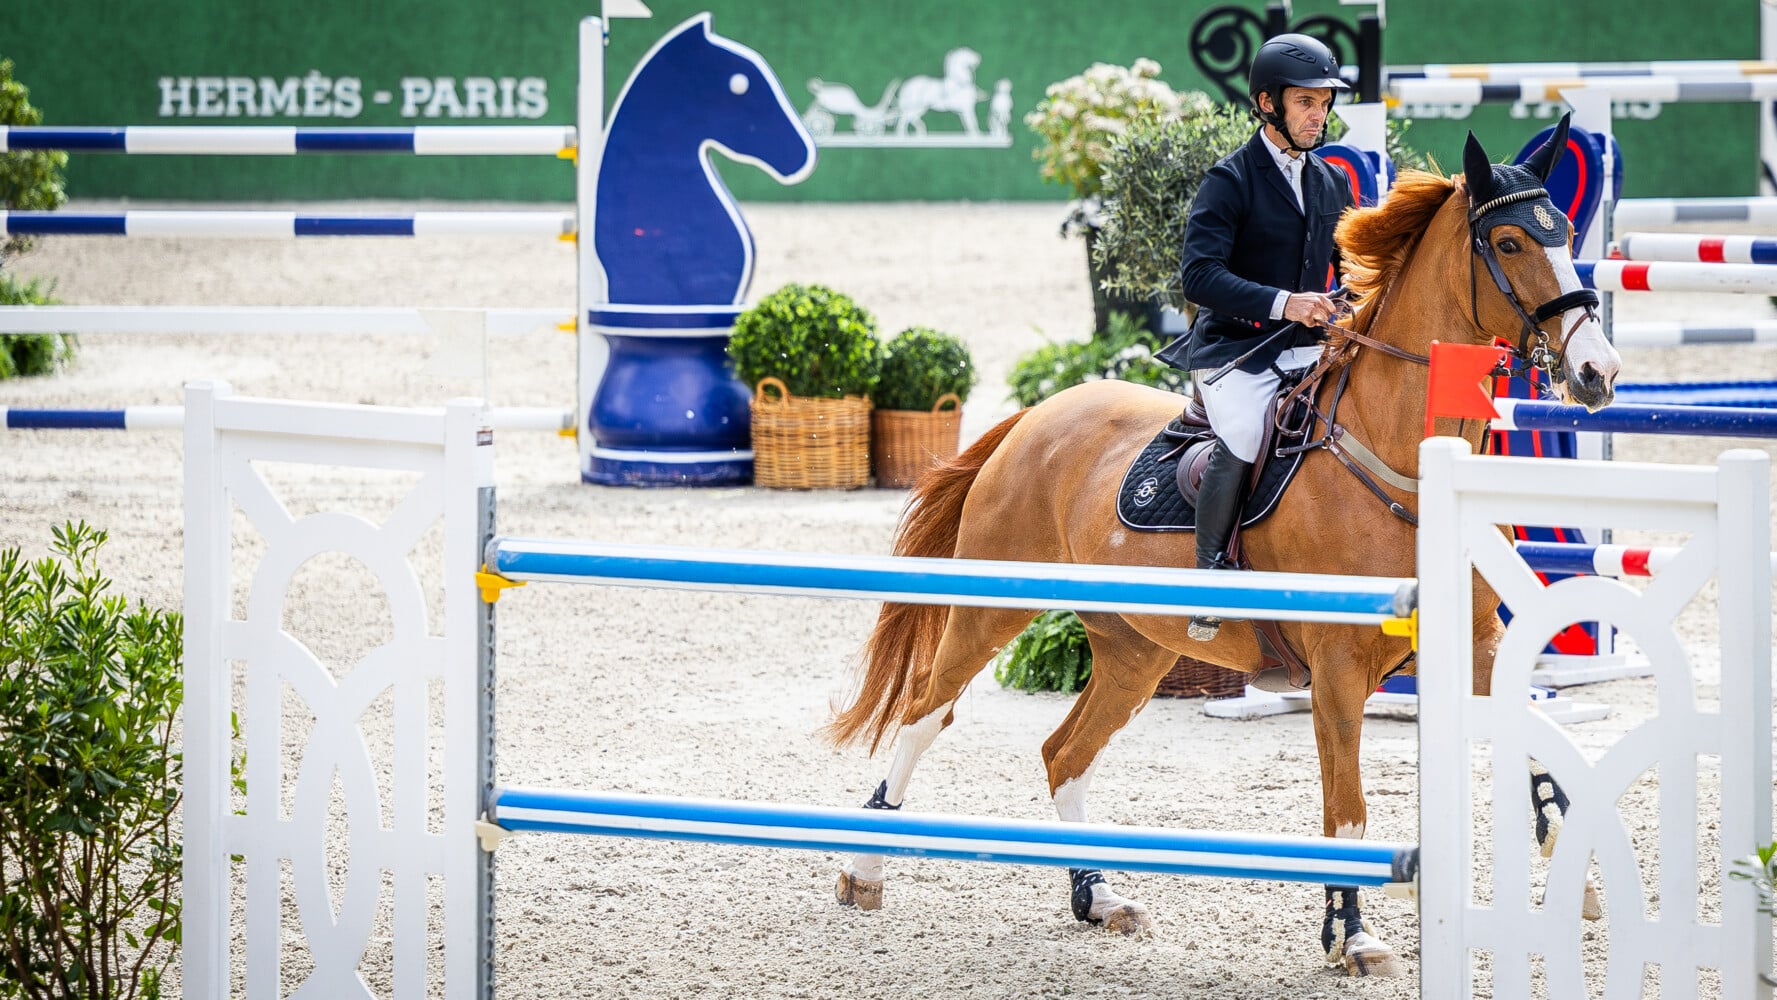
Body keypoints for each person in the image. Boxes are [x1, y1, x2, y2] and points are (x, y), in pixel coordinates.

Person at [1154, 32, 1354, 642]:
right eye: (1305, 103)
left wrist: (1353, 306)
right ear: (1268, 105)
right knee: (1244, 430)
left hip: (1306, 348)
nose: (1318, 115)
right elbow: (1199, 276)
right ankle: (1209, 576)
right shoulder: (1230, 179)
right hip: (1235, 351)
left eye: (1323, 103)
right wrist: (1285, 302)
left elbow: (1349, 269)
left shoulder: (1330, 181)